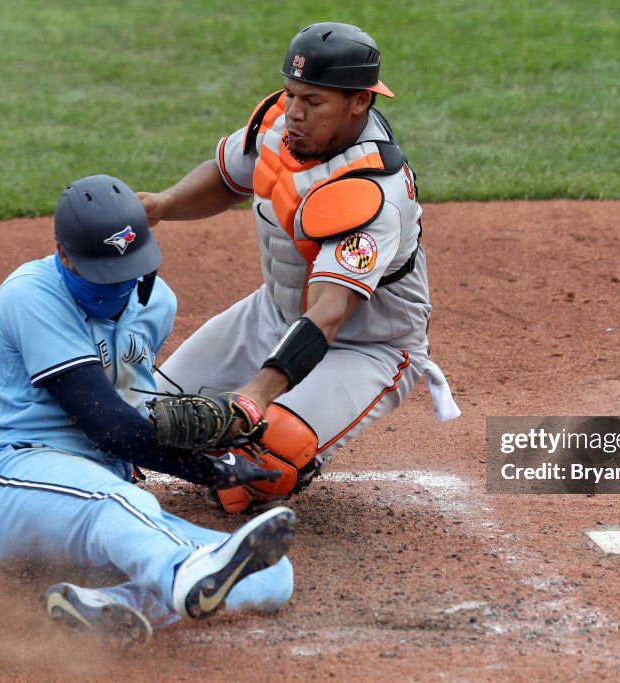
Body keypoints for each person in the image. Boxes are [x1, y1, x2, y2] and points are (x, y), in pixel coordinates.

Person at [137, 22, 461, 514]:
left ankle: (266, 450)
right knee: (145, 417)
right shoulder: (280, 128)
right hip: (273, 314)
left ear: (360, 101)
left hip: (366, 346)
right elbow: (228, 178)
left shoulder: (372, 194)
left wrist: (255, 395)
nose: (294, 112)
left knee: (266, 462)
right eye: (290, 94)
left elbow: (330, 313)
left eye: (313, 101)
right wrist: (164, 202)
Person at [0, 174, 298, 648]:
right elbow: (107, 424)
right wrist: (207, 467)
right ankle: (181, 575)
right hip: (12, 485)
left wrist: (202, 431)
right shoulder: (31, 295)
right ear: (64, 255)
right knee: (125, 502)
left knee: (271, 574)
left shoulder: (157, 303)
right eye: (104, 273)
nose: (120, 285)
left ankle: (113, 607)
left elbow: (132, 407)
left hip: (99, 506)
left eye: (130, 269)